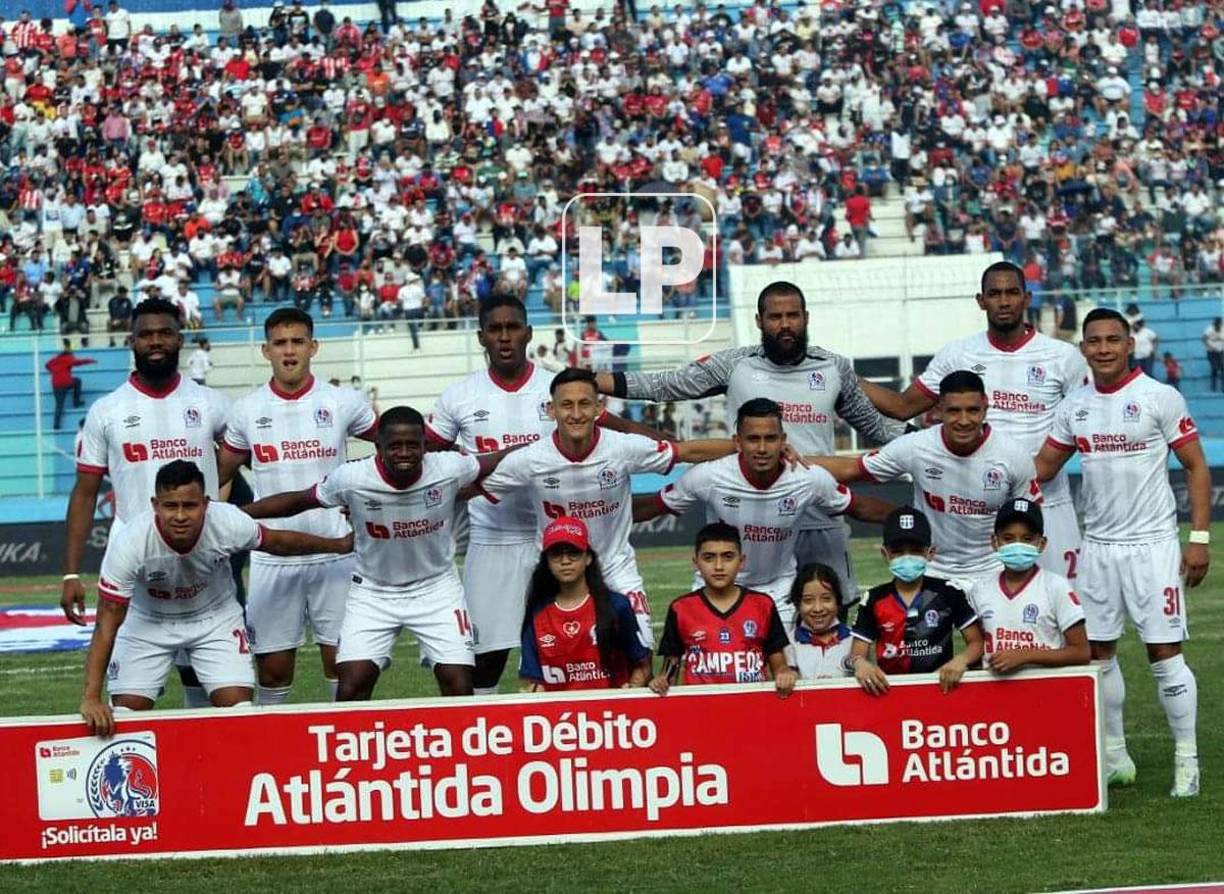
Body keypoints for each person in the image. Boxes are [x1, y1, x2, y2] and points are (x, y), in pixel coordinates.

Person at [598, 280, 904, 612]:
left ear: (806, 318)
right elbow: (667, 384)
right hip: (747, 523)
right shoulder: (734, 365)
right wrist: (592, 381)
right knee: (750, 626)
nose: (785, 324)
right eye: (775, 317)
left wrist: (926, 438)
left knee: (830, 620)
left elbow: (875, 425)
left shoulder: (834, 368)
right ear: (759, 321)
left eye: (793, 315)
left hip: (819, 515)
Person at [426, 296, 668, 694]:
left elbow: (619, 432)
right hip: (493, 540)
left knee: (588, 651)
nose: (505, 337)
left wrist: (665, 445)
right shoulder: (459, 395)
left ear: (528, 332)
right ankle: (486, 745)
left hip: (561, 542)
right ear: (481, 337)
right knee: (484, 660)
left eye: (513, 327)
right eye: (495, 329)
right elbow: (431, 457)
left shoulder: (558, 390)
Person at [1035, 307, 1210, 797]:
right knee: (1097, 652)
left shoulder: (1159, 397)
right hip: (1099, 549)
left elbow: (1196, 467)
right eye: (1095, 341)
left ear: (1129, 344)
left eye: (1114, 339)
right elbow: (1043, 467)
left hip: (1152, 547)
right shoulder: (1074, 406)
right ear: (1084, 348)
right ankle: (1115, 757)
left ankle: (1186, 762)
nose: (1104, 348)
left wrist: (1197, 539)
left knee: (1163, 651)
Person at [242, 406, 517, 700]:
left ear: (425, 445)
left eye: (413, 445)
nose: (404, 453)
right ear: (378, 446)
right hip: (373, 593)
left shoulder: (450, 467)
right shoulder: (351, 478)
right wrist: (240, 512)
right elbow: (299, 501)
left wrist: (549, 443)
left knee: (460, 685)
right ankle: (348, 745)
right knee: (351, 687)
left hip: (437, 589)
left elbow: (498, 460)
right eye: (394, 446)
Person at [79, 460, 353, 737]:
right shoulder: (130, 543)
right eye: (170, 506)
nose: (180, 516)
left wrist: (337, 545)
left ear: (206, 503)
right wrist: (91, 698)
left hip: (215, 619)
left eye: (190, 505)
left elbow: (278, 542)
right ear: (155, 505)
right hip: (148, 622)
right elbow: (106, 624)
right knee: (126, 716)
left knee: (238, 713)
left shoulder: (228, 522)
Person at [477, 367, 738, 650]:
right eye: (566, 405)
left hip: (616, 569)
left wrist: (744, 447)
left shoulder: (622, 448)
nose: (575, 414)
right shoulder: (529, 459)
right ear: (552, 410)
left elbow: (687, 451)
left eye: (584, 404)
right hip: (557, 575)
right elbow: (472, 489)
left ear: (599, 408)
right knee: (559, 668)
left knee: (641, 658)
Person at [859, 262, 1088, 581]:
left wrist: (1018, 474)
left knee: (1062, 617)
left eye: (1012, 293)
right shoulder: (958, 354)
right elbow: (901, 406)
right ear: (981, 301)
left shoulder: (1064, 358)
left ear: (1027, 298)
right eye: (995, 293)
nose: (1004, 301)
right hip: (979, 514)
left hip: (1047, 504)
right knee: (979, 619)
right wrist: (843, 374)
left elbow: (1077, 428)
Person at [62, 297, 231, 709]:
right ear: (131, 341)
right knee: (129, 700)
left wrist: (218, 511)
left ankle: (202, 766)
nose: (156, 341)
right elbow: (85, 493)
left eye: (165, 333)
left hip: (201, 557)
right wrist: (70, 574)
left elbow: (234, 464)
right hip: (134, 566)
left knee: (210, 683)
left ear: (180, 338)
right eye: (146, 334)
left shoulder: (212, 403)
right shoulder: (107, 411)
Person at [218, 308, 378, 705]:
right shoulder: (245, 410)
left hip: (336, 551)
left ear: (313, 347)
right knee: (272, 671)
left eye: (297, 342)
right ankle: (272, 756)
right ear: (265, 351)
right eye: (280, 343)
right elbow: (220, 474)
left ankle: (343, 750)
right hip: (273, 555)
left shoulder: (344, 402)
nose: (289, 351)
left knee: (344, 666)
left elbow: (393, 447)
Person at [634, 397, 893, 628]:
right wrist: (600, 515)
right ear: (737, 442)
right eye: (752, 439)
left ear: (783, 441)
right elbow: (653, 506)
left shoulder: (808, 479)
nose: (761, 448)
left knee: (788, 675)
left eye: (770, 439)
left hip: (779, 590)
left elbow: (859, 507)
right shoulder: (709, 476)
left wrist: (914, 516)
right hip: (716, 588)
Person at [812, 370, 1043, 584]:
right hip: (932, 570)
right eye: (953, 411)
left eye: (972, 410)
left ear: (985, 407)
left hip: (993, 572)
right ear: (939, 409)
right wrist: (785, 459)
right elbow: (851, 469)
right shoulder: (917, 447)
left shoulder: (1013, 456)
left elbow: (1032, 522)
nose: (963, 421)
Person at [649, 522, 796, 697]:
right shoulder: (680, 608)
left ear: (741, 561)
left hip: (752, 707)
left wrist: (785, 674)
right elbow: (669, 670)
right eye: (709, 558)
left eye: (728, 557)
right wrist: (662, 680)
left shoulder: (763, 605)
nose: (718, 566)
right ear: (696, 563)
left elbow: (779, 666)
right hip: (701, 710)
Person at [849, 507, 985, 695]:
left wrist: (960, 661)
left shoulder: (948, 592)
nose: (907, 557)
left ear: (930, 552)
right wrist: (860, 664)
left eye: (915, 550)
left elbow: (977, 643)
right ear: (885, 554)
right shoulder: (873, 599)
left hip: (941, 690)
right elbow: (856, 654)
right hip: (889, 693)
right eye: (898, 551)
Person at [519, 516, 652, 691]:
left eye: (573, 553)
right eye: (556, 554)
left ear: (588, 558)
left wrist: (631, 691)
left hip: (611, 715)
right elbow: (534, 681)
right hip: (561, 716)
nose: (565, 561)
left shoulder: (616, 605)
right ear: (547, 562)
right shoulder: (537, 613)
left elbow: (642, 665)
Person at [967, 499, 1089, 674]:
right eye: (1008, 538)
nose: (1018, 545)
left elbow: (1081, 652)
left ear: (1041, 544)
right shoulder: (980, 590)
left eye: (1027, 539)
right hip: (994, 690)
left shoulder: (1056, 587)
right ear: (995, 542)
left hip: (1043, 689)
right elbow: (977, 647)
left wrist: (1026, 656)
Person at [790, 563, 854, 679]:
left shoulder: (854, 640)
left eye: (826, 599)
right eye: (808, 601)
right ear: (797, 604)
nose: (818, 608)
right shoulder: (789, 644)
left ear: (838, 601)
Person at [45, 339, 95, 430]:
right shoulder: (68, 359)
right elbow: (79, 362)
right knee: (78, 381)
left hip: (56, 385)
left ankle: (56, 424)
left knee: (59, 405)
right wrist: (90, 360)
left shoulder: (55, 359)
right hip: (66, 382)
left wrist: (53, 371)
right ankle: (76, 402)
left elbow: (47, 365)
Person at [1202, 317, 1224, 392]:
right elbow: (1203, 339)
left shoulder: (1222, 329)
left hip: (1221, 351)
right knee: (1214, 368)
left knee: (1222, 368)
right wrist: (1211, 346)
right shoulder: (1209, 330)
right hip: (1211, 352)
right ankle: (1213, 386)